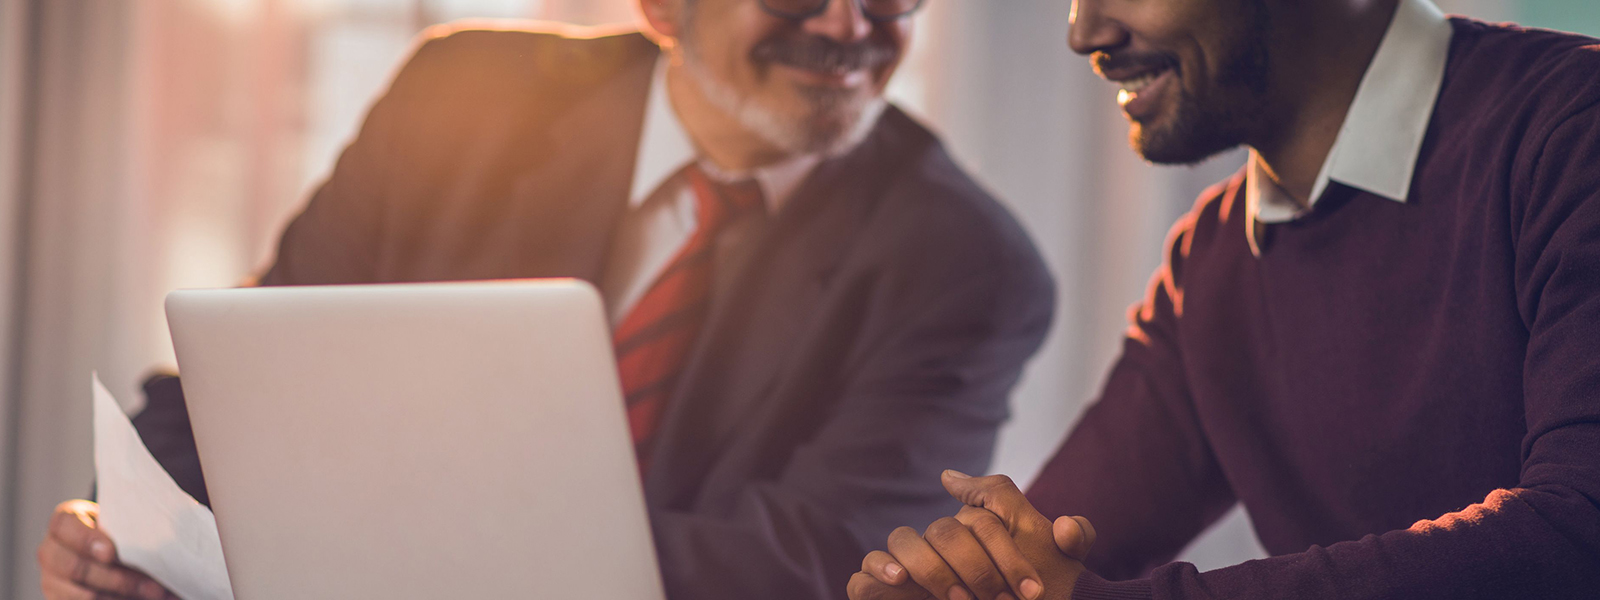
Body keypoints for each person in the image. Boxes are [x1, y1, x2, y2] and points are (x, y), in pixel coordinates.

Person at [37, 1, 1058, 598]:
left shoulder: (965, 262)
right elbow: (240, 379)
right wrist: (137, 540)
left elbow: (811, 559)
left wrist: (360, 553)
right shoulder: (460, 100)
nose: (851, 27)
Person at [847, 0, 1600, 598]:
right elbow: (1043, 552)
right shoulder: (1210, 260)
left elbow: (1579, 534)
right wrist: (962, 582)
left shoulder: (1573, 130)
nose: (1085, 31)